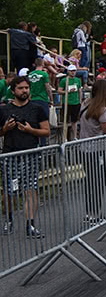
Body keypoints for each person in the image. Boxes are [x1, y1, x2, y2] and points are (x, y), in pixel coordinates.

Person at [0, 76, 50, 237]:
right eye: (20, 88)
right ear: (13, 90)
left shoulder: (37, 109)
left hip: (31, 154)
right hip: (10, 155)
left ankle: (30, 225)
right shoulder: (4, 110)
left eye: (26, 88)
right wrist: (5, 129)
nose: (24, 91)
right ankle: (9, 219)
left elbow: (46, 131)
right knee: (9, 191)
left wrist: (30, 130)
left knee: (31, 189)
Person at [78, 78, 106, 224]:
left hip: (84, 148)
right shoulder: (102, 109)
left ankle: (89, 213)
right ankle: (94, 213)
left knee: (90, 181)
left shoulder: (85, 103)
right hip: (99, 149)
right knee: (99, 182)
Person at [26, 57, 53, 145]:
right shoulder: (44, 74)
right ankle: (43, 144)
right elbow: (47, 87)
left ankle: (34, 143)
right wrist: (51, 99)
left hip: (32, 100)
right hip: (42, 99)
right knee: (43, 123)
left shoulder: (30, 74)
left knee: (33, 122)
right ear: (43, 64)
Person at [59, 65, 84, 140]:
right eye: (71, 71)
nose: (73, 72)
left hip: (75, 103)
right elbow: (59, 91)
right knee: (65, 121)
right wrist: (67, 91)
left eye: (74, 71)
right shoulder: (64, 80)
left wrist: (80, 101)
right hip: (67, 103)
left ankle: (74, 136)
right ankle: (65, 137)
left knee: (74, 121)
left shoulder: (78, 80)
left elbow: (80, 91)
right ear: (68, 71)